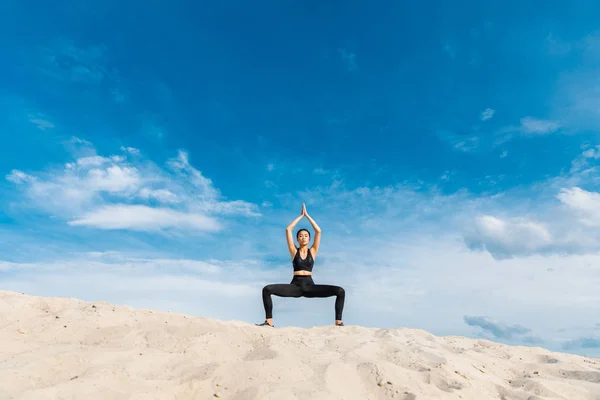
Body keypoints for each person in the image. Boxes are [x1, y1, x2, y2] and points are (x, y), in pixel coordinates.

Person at [256, 203, 346, 327]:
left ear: (309, 239)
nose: (303, 237)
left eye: (306, 236)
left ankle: (338, 323)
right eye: (300, 236)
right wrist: (300, 216)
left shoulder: (313, 251)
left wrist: (307, 216)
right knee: (267, 289)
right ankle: (269, 322)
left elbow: (318, 231)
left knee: (340, 291)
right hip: (296, 287)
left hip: (309, 286)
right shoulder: (294, 251)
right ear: (297, 239)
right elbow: (288, 229)